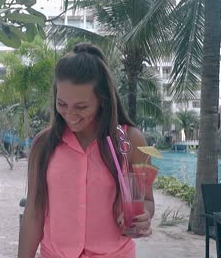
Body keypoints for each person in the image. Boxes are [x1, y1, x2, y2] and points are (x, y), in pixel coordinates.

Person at [18, 43, 155, 258]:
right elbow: (33, 212)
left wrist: (143, 216)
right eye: (62, 104)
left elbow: (146, 200)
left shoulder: (129, 141)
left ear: (103, 100)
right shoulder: (43, 144)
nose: (70, 115)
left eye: (81, 107)